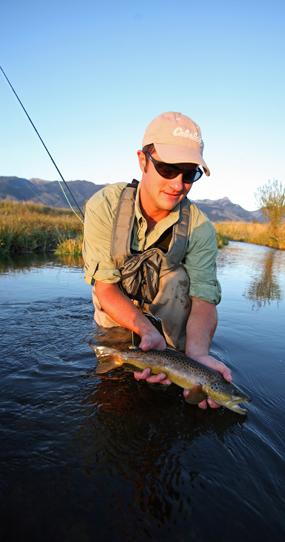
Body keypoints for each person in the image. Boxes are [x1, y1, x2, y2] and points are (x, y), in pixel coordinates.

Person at [83, 111, 232, 409]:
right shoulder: (103, 206)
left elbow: (204, 301)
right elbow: (105, 288)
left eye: (189, 174)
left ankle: (179, 355)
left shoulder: (200, 228)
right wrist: (146, 331)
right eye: (167, 168)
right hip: (118, 316)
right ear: (143, 161)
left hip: (172, 338)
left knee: (180, 279)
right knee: (113, 396)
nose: (178, 184)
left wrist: (198, 357)